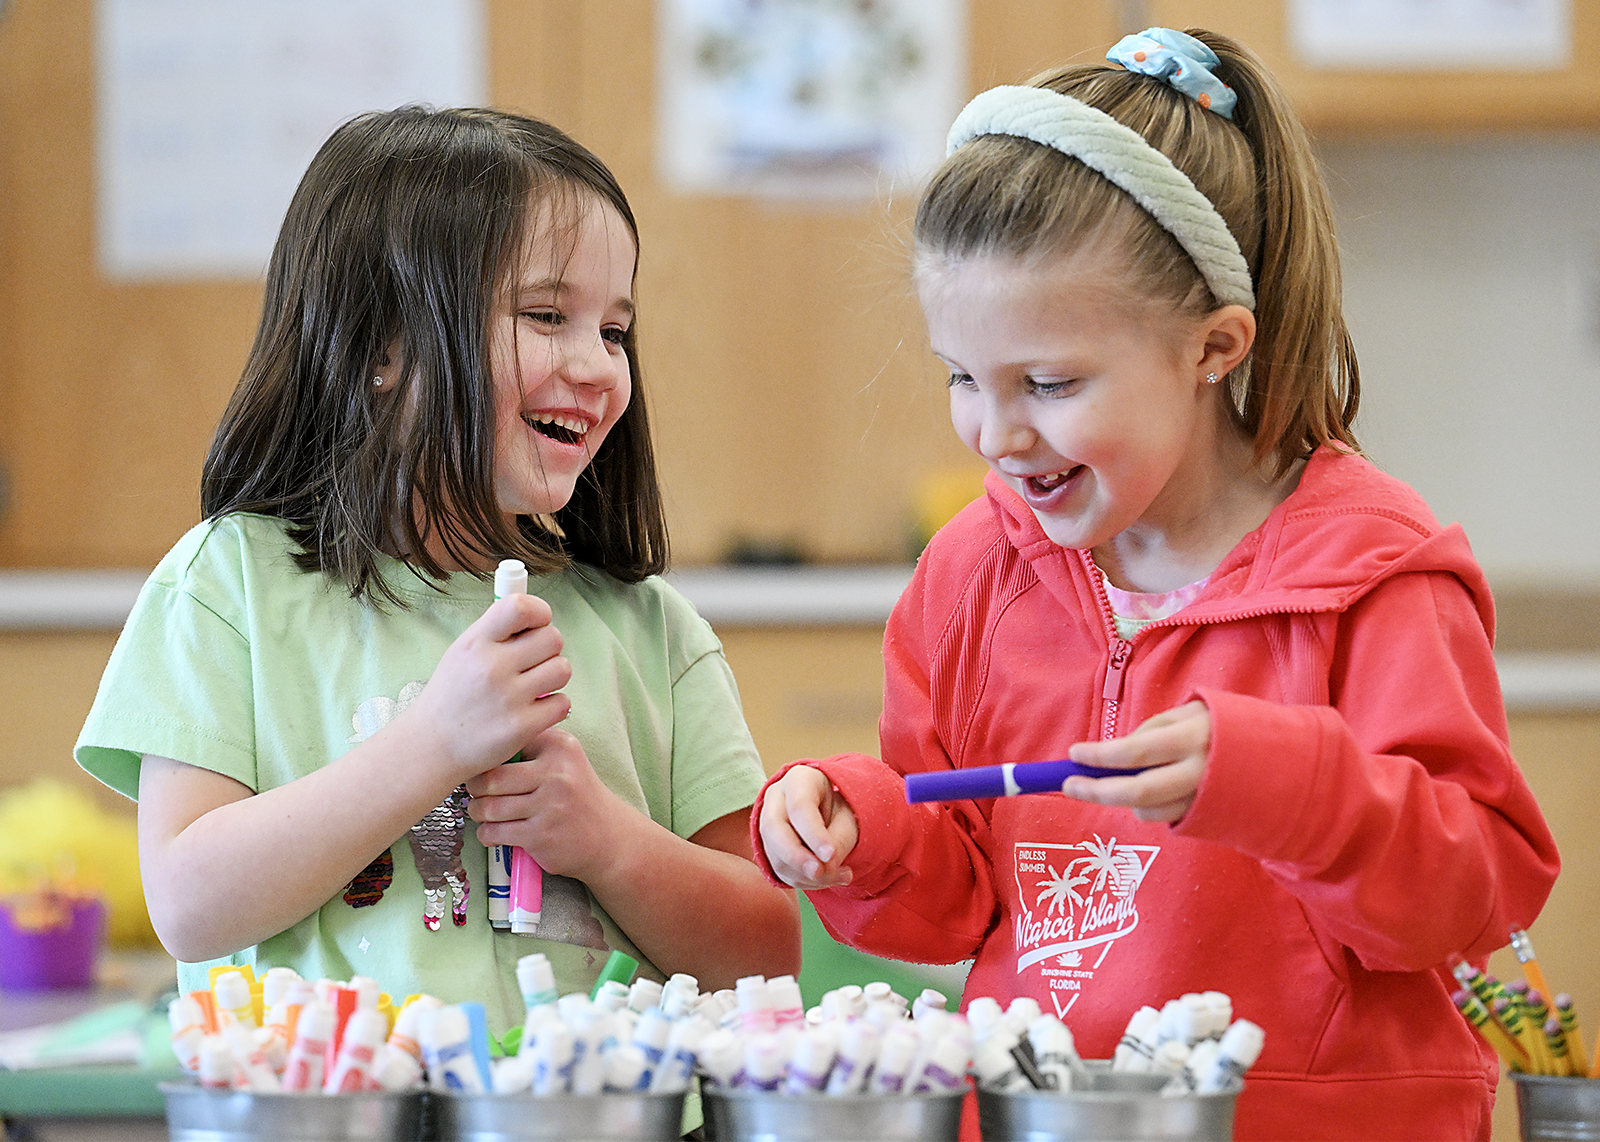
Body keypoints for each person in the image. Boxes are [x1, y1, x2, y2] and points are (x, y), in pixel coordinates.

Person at [755, 28, 1557, 1141]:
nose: (998, 432)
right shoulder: (974, 571)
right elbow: (959, 901)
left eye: (1049, 380)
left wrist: (1285, 786)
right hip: (1039, 1115)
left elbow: (1471, 896)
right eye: (963, 379)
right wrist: (866, 826)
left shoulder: (1374, 572)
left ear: (1214, 346)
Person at [76, 106, 799, 1036]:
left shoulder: (651, 632)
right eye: (546, 316)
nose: (597, 367)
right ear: (383, 347)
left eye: (615, 330)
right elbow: (188, 905)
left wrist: (608, 843)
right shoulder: (230, 588)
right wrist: (434, 746)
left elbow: (765, 952)